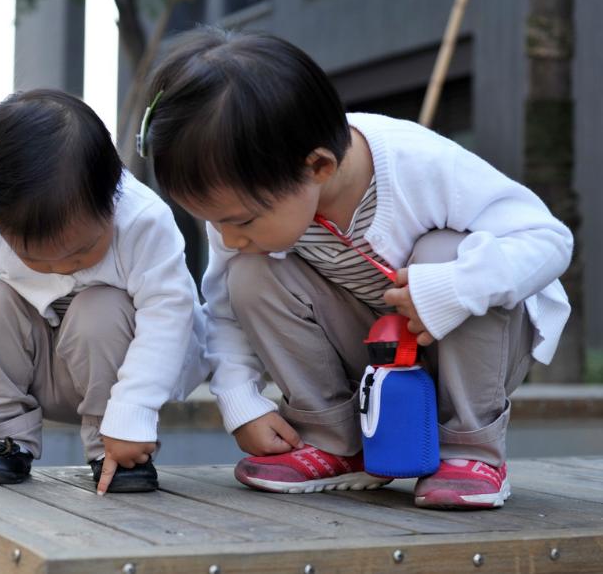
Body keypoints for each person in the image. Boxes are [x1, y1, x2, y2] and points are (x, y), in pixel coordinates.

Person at [139, 28, 573, 509]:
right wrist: (241, 402)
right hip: (373, 349)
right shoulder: (249, 209)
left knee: (445, 250)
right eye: (213, 220)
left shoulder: (420, 165)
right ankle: (335, 441)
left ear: (318, 167)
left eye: (239, 220)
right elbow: (224, 312)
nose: (227, 236)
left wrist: (456, 288)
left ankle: (472, 449)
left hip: (473, 353)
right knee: (249, 273)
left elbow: (549, 239)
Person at [0, 89, 207, 494]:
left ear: (112, 194)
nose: (63, 266)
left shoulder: (143, 221)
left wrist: (133, 413)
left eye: (83, 250)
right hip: (36, 369)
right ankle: (1, 438)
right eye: (37, 259)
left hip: (120, 374)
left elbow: (169, 316)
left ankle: (112, 448)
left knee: (100, 307)